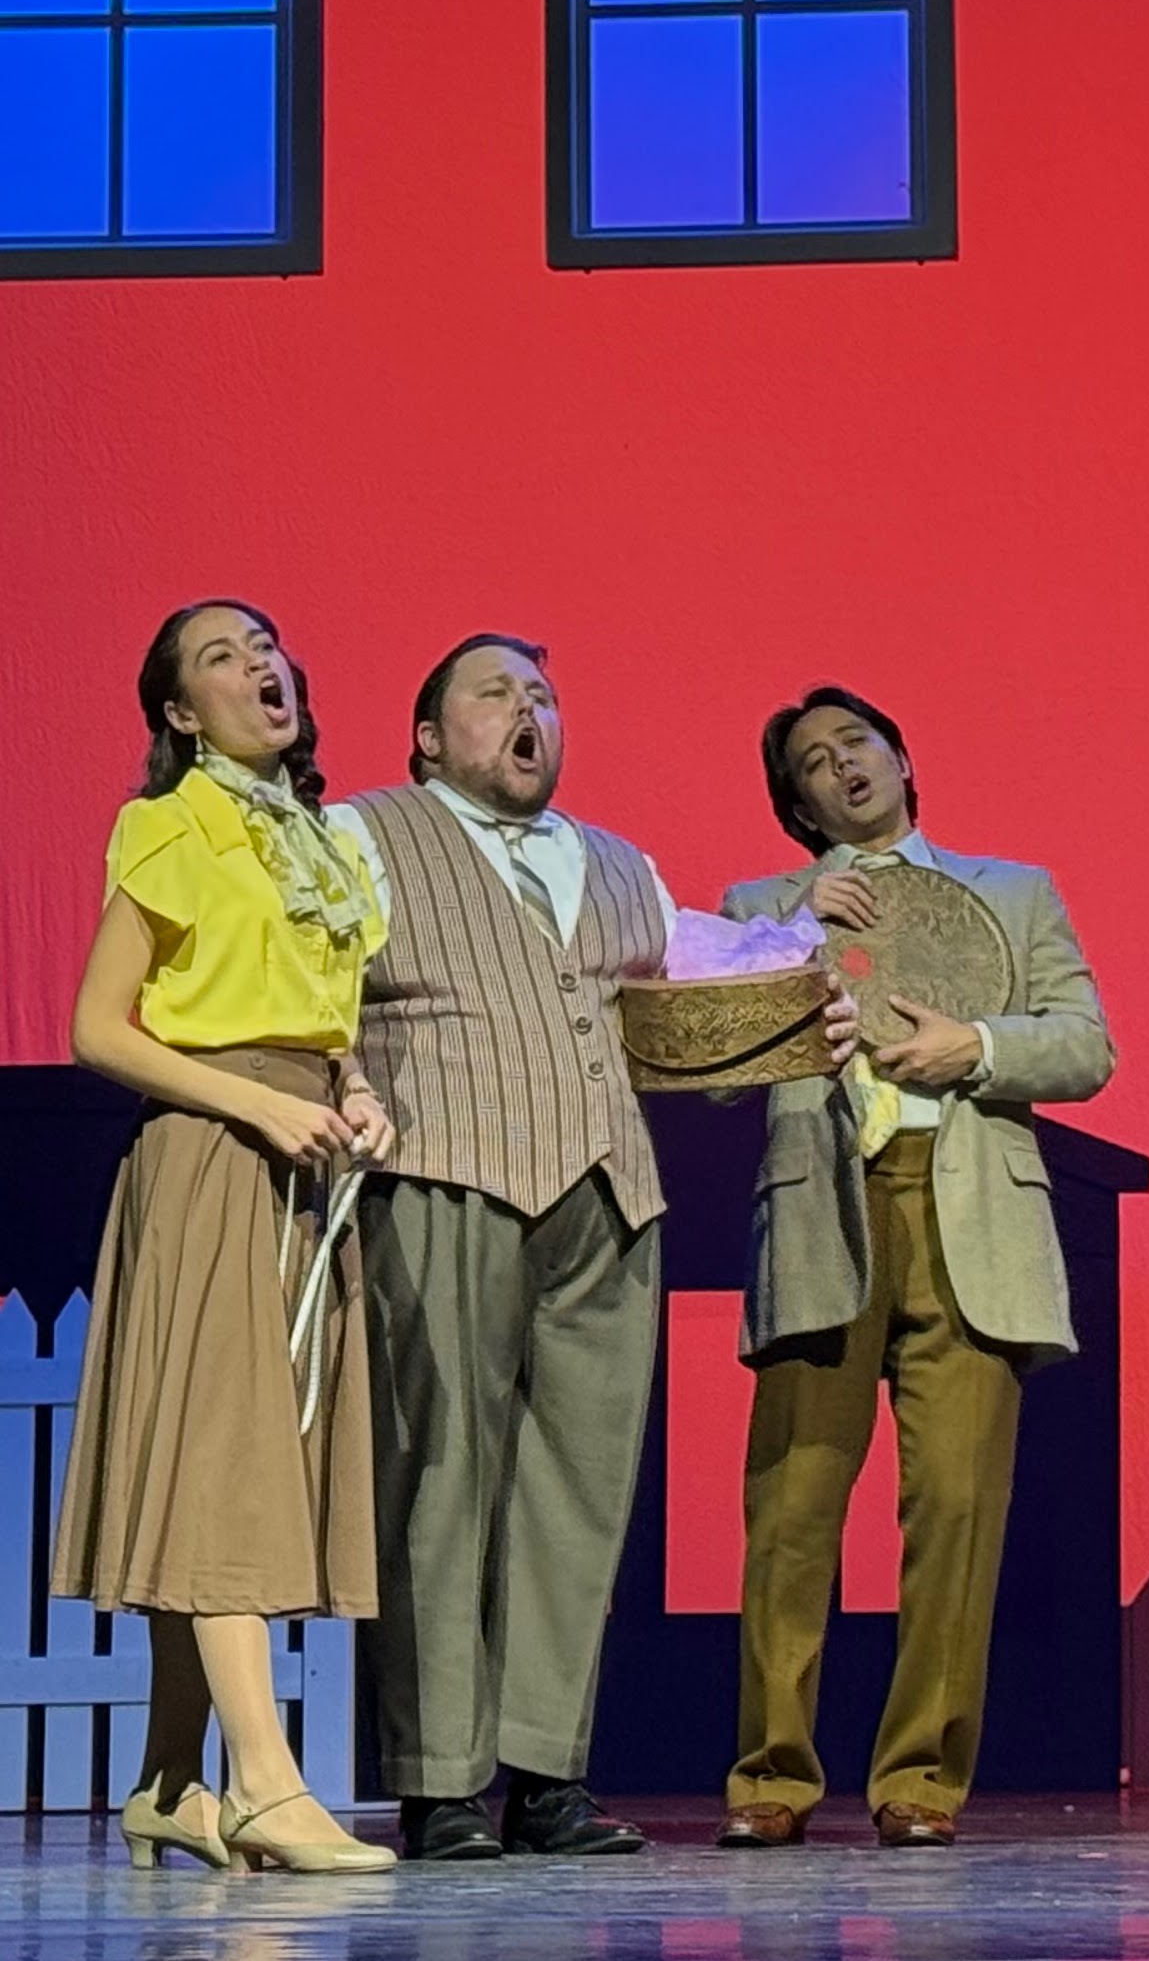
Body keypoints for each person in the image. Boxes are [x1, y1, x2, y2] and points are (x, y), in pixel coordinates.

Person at [714, 687, 1115, 1851]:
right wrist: (796, 918)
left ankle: (921, 1781)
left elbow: (1086, 1042)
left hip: (969, 1218)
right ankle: (769, 1775)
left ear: (901, 757)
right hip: (825, 1216)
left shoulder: (1011, 892)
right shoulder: (761, 907)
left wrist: (975, 1046)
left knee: (956, 1507)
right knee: (791, 1510)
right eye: (812, 761)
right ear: (794, 802)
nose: (841, 765)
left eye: (858, 744)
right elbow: (717, 1061)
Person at [53, 599, 399, 1876]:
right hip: (210, 1154)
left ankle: (163, 1783)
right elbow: (102, 1026)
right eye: (221, 656)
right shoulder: (171, 826)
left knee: (250, 1457)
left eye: (266, 646)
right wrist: (260, 1100)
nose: (260, 665)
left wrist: (349, 1084)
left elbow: (311, 1012)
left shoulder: (312, 840)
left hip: (301, 1154)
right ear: (177, 714)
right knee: (225, 1465)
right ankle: (263, 1782)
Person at [326, 634, 680, 1861]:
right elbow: (315, 996)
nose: (527, 712)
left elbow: (680, 1020)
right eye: (495, 693)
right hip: (443, 1167)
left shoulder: (622, 863)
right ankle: (440, 1780)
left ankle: (544, 1771)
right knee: (442, 1473)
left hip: (606, 1191)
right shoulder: (364, 834)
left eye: (542, 695)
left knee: (579, 1486)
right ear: (428, 736)